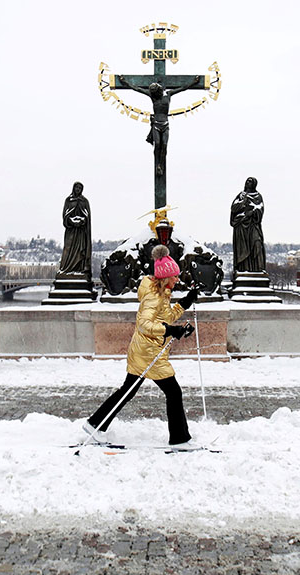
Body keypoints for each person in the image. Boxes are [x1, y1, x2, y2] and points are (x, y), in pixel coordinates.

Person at [84, 245, 200, 450]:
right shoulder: (153, 297)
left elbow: (167, 317)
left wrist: (185, 303)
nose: (177, 280)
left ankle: (95, 424)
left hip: (146, 350)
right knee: (174, 392)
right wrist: (171, 331)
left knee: (128, 391)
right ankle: (180, 439)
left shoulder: (161, 294)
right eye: (174, 277)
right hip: (148, 352)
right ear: (165, 277)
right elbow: (144, 324)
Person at [230, 177, 266, 273]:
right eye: (247, 181)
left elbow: (260, 210)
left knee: (257, 243)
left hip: (253, 225)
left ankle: (257, 268)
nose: (248, 183)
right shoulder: (241, 195)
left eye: (250, 182)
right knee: (243, 248)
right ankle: (243, 268)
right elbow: (233, 208)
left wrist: (252, 212)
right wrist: (243, 203)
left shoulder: (258, 196)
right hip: (241, 225)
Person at [57, 182, 91, 275]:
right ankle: (66, 269)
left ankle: (79, 269)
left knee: (80, 250)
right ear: (73, 188)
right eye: (76, 187)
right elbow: (65, 215)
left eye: (80, 188)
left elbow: (87, 217)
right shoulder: (68, 200)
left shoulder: (84, 201)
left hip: (81, 232)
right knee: (68, 249)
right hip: (71, 230)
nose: (78, 189)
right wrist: (71, 221)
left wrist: (82, 221)